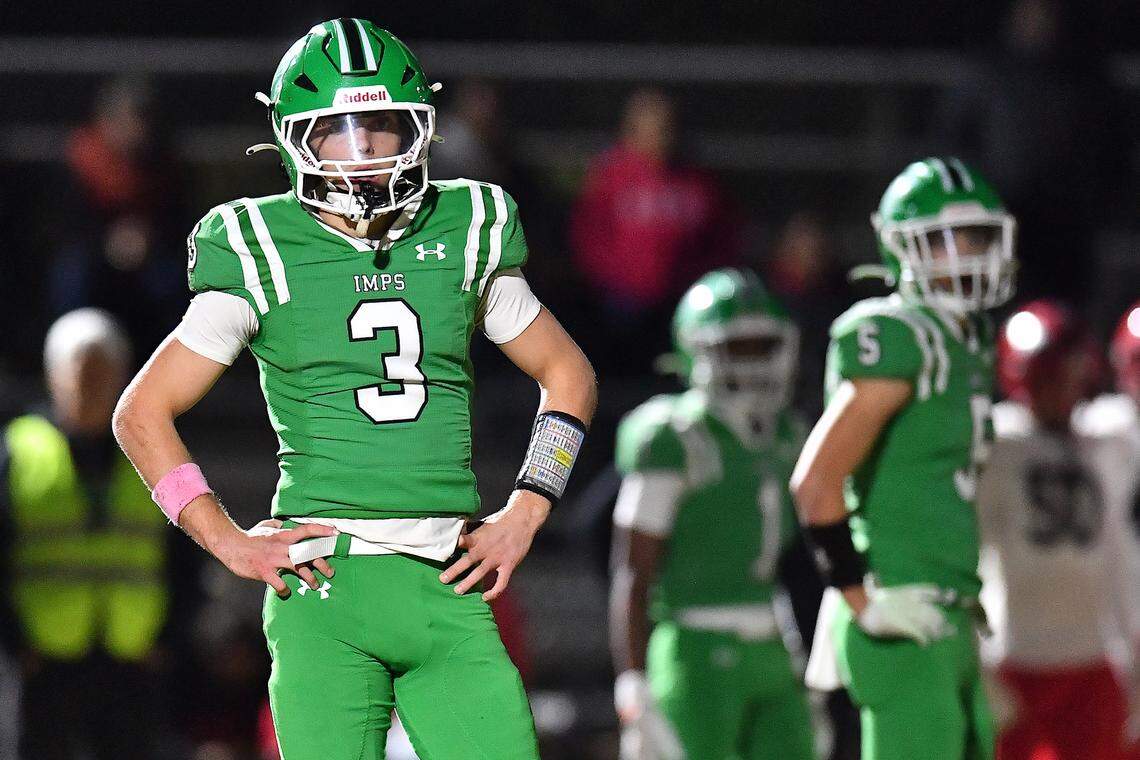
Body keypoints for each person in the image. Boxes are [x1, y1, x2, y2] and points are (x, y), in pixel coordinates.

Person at [112, 19, 597, 760]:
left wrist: (529, 509)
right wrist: (228, 542)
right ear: (292, 138)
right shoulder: (259, 244)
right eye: (337, 130)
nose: (364, 151)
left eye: (379, 124)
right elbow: (142, 412)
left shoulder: (465, 224)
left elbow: (569, 374)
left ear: (419, 126)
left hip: (447, 579)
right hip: (325, 586)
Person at [791, 157, 1017, 760]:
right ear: (904, 247)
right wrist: (863, 600)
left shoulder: (968, 342)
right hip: (901, 606)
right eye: (948, 240)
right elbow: (815, 484)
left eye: (979, 238)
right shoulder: (898, 334)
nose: (968, 255)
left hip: (951, 609)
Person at [609, 268, 815, 760]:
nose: (755, 363)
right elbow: (634, 571)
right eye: (738, 348)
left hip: (771, 643)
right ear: (696, 350)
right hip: (695, 648)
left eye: (763, 347)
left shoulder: (788, 434)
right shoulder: (674, 436)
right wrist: (632, 680)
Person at [6, 308, 170, 759]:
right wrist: (14, 640)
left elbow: (184, 546)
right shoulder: (20, 449)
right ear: (52, 375)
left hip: (131, 654)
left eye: (102, 374)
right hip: (46, 657)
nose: (90, 388)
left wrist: (168, 637)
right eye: (80, 374)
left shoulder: (153, 447)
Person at [977, 301, 1135, 760]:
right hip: (1022, 663)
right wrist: (984, 674)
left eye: (1069, 373)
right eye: (1049, 377)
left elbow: (1118, 555)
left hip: (1095, 658)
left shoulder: (1106, 436)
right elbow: (966, 563)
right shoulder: (999, 448)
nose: (1063, 389)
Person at [569, 88, 742, 374]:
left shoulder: (696, 181)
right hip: (618, 304)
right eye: (653, 128)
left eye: (666, 128)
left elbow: (721, 238)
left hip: (681, 302)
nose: (661, 136)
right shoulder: (610, 176)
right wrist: (617, 279)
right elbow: (588, 237)